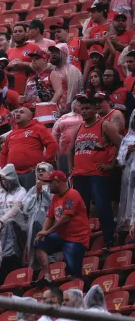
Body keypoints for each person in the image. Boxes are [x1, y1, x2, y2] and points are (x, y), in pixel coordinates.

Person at [69, 96, 121, 247]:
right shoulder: (79, 128)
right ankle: (83, 241)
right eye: (82, 108)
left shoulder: (104, 125)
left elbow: (119, 142)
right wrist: (71, 167)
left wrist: (111, 164)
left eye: (87, 108)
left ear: (94, 109)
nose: (84, 111)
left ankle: (109, 239)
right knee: (81, 211)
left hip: (97, 174)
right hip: (80, 175)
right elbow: (70, 149)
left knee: (102, 206)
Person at [34, 171, 89, 281]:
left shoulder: (72, 194)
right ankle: (47, 277)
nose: (48, 186)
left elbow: (66, 218)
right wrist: (43, 232)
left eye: (50, 183)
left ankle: (80, 288)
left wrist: (48, 232)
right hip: (62, 236)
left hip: (77, 238)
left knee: (73, 272)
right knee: (39, 242)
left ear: (57, 182)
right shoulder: (55, 197)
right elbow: (50, 217)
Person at [0, 107, 58, 189]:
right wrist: (5, 170)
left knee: (31, 199)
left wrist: (43, 164)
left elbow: (52, 144)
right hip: (13, 174)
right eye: (16, 112)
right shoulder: (11, 134)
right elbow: (3, 153)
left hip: (31, 173)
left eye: (21, 112)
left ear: (29, 117)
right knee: (16, 201)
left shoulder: (38, 128)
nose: (17, 114)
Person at [0, 164, 28, 283]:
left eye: (6, 179)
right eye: (2, 180)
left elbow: (15, 210)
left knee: (10, 222)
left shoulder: (20, 192)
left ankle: (9, 257)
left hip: (18, 230)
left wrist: (1, 222)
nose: (4, 182)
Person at [52, 100, 83, 175]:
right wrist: (54, 151)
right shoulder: (63, 118)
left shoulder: (92, 117)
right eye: (79, 102)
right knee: (64, 175)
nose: (80, 104)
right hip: (64, 151)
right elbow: (55, 134)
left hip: (83, 152)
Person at [5, 24, 37, 95]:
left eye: (20, 31)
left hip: (29, 89)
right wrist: (8, 65)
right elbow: (2, 69)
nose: (17, 33)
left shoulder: (34, 47)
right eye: (15, 31)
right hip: (11, 90)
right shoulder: (9, 51)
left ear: (26, 33)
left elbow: (41, 68)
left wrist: (24, 64)